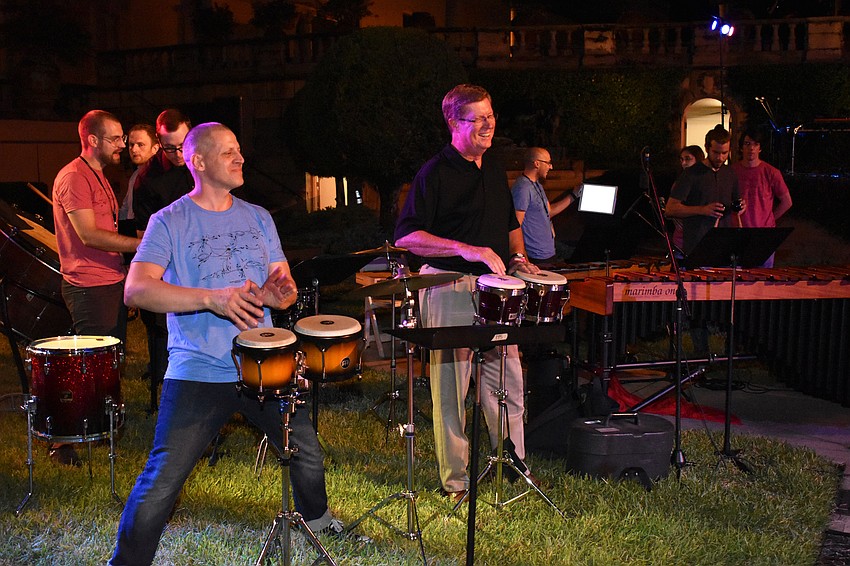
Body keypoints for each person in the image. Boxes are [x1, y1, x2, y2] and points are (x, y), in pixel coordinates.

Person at [109, 123, 361, 565]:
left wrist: (276, 293)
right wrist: (213, 299)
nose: (240, 158)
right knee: (163, 479)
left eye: (239, 150)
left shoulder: (258, 216)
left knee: (307, 453)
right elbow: (136, 290)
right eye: (228, 152)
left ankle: (317, 520)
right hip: (198, 370)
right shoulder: (168, 221)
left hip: (263, 361)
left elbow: (279, 281)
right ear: (199, 162)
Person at [395, 84, 541, 502]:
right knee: (451, 387)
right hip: (448, 285)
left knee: (507, 379)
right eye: (476, 118)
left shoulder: (493, 168)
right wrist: (467, 249)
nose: (487, 124)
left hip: (497, 290)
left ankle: (512, 468)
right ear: (453, 123)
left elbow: (509, 226)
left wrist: (519, 258)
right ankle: (456, 482)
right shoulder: (433, 173)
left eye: (490, 115)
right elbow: (407, 237)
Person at [51, 110, 142, 466]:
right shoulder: (74, 177)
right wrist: (141, 245)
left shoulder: (99, 175)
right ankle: (62, 441)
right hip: (88, 285)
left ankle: (97, 428)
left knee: (108, 363)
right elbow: (88, 235)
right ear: (93, 140)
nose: (122, 145)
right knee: (86, 366)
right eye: (116, 138)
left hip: (109, 281)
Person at [132, 109, 193, 409]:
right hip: (168, 263)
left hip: (202, 258)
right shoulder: (147, 180)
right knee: (162, 332)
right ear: (159, 142)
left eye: (183, 145)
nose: (179, 154)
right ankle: (164, 390)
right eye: (170, 148)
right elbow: (146, 238)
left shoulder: (200, 161)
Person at [665, 124, 745, 256]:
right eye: (716, 153)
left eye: (724, 153)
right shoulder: (691, 174)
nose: (720, 158)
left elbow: (736, 204)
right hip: (697, 245)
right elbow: (670, 209)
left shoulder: (730, 173)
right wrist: (702, 210)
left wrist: (741, 206)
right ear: (707, 148)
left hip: (723, 245)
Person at [732, 128, 793, 267]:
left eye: (755, 144)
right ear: (741, 147)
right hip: (739, 233)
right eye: (747, 144)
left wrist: (770, 218)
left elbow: (787, 201)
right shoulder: (732, 172)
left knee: (762, 278)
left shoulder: (771, 172)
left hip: (764, 235)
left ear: (760, 148)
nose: (751, 148)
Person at [510, 146, 580, 265]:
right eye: (548, 163)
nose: (551, 167)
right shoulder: (523, 188)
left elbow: (549, 212)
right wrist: (524, 259)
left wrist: (573, 196)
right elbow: (516, 225)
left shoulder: (537, 184)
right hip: (535, 256)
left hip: (547, 254)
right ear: (537, 164)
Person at [117, 123, 160, 236]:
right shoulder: (136, 175)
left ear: (155, 148)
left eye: (140, 145)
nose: (134, 149)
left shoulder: (159, 177)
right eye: (131, 145)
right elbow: (126, 209)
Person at [669, 145, 706, 258]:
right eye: (682, 159)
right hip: (681, 240)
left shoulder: (706, 181)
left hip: (701, 239)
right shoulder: (679, 183)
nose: (684, 163)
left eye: (688, 159)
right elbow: (672, 210)